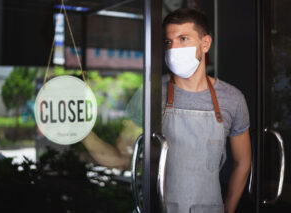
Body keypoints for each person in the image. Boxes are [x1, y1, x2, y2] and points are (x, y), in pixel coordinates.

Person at [83, 8, 251, 213]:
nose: (174, 48)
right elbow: (120, 159)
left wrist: (229, 209)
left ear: (205, 44)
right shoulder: (150, 95)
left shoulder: (232, 99)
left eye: (183, 39)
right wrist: (82, 133)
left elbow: (243, 162)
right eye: (168, 42)